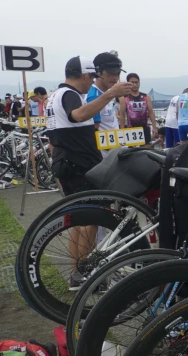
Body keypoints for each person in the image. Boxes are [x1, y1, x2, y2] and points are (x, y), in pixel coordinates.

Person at [46, 56, 132, 290]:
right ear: (84, 75)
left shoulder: (54, 95)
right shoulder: (69, 94)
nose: (92, 81)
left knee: (79, 222)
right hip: (80, 165)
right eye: (92, 77)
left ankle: (77, 275)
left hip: (66, 163)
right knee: (90, 223)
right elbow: (79, 116)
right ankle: (88, 275)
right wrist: (110, 94)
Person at [87, 52, 124, 138]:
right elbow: (94, 132)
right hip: (104, 151)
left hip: (115, 148)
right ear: (98, 72)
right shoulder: (94, 96)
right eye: (111, 73)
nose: (115, 78)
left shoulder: (108, 92)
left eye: (118, 74)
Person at [119, 73, 157, 145]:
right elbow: (122, 115)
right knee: (133, 152)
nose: (134, 85)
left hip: (144, 128)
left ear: (139, 83)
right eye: (132, 82)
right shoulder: (124, 98)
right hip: (131, 129)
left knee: (146, 150)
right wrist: (122, 130)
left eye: (136, 82)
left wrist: (154, 127)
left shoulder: (146, 97)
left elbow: (151, 112)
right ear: (128, 84)